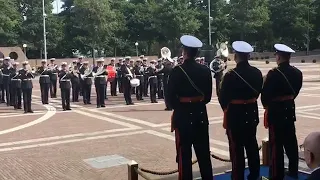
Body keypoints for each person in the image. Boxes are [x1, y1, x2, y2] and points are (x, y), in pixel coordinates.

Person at [168, 35, 213, 180]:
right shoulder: (205, 70)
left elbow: (169, 99)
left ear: (184, 51)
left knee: (184, 156)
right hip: (200, 114)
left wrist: (180, 106)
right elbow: (208, 97)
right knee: (204, 154)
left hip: (183, 116)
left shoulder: (177, 71)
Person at [219, 41, 262, 180]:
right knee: (252, 145)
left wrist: (227, 109)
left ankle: (238, 176)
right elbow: (257, 93)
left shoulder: (230, 75)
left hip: (235, 115)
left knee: (236, 149)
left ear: (236, 56)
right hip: (251, 113)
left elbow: (223, 98)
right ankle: (255, 174)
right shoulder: (257, 72)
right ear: (248, 56)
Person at [261, 44, 303, 180]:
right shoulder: (297, 73)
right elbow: (295, 92)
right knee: (291, 142)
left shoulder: (273, 73)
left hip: (276, 112)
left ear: (279, 57)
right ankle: (293, 171)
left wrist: (267, 105)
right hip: (289, 110)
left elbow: (265, 96)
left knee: (276, 145)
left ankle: (276, 175)